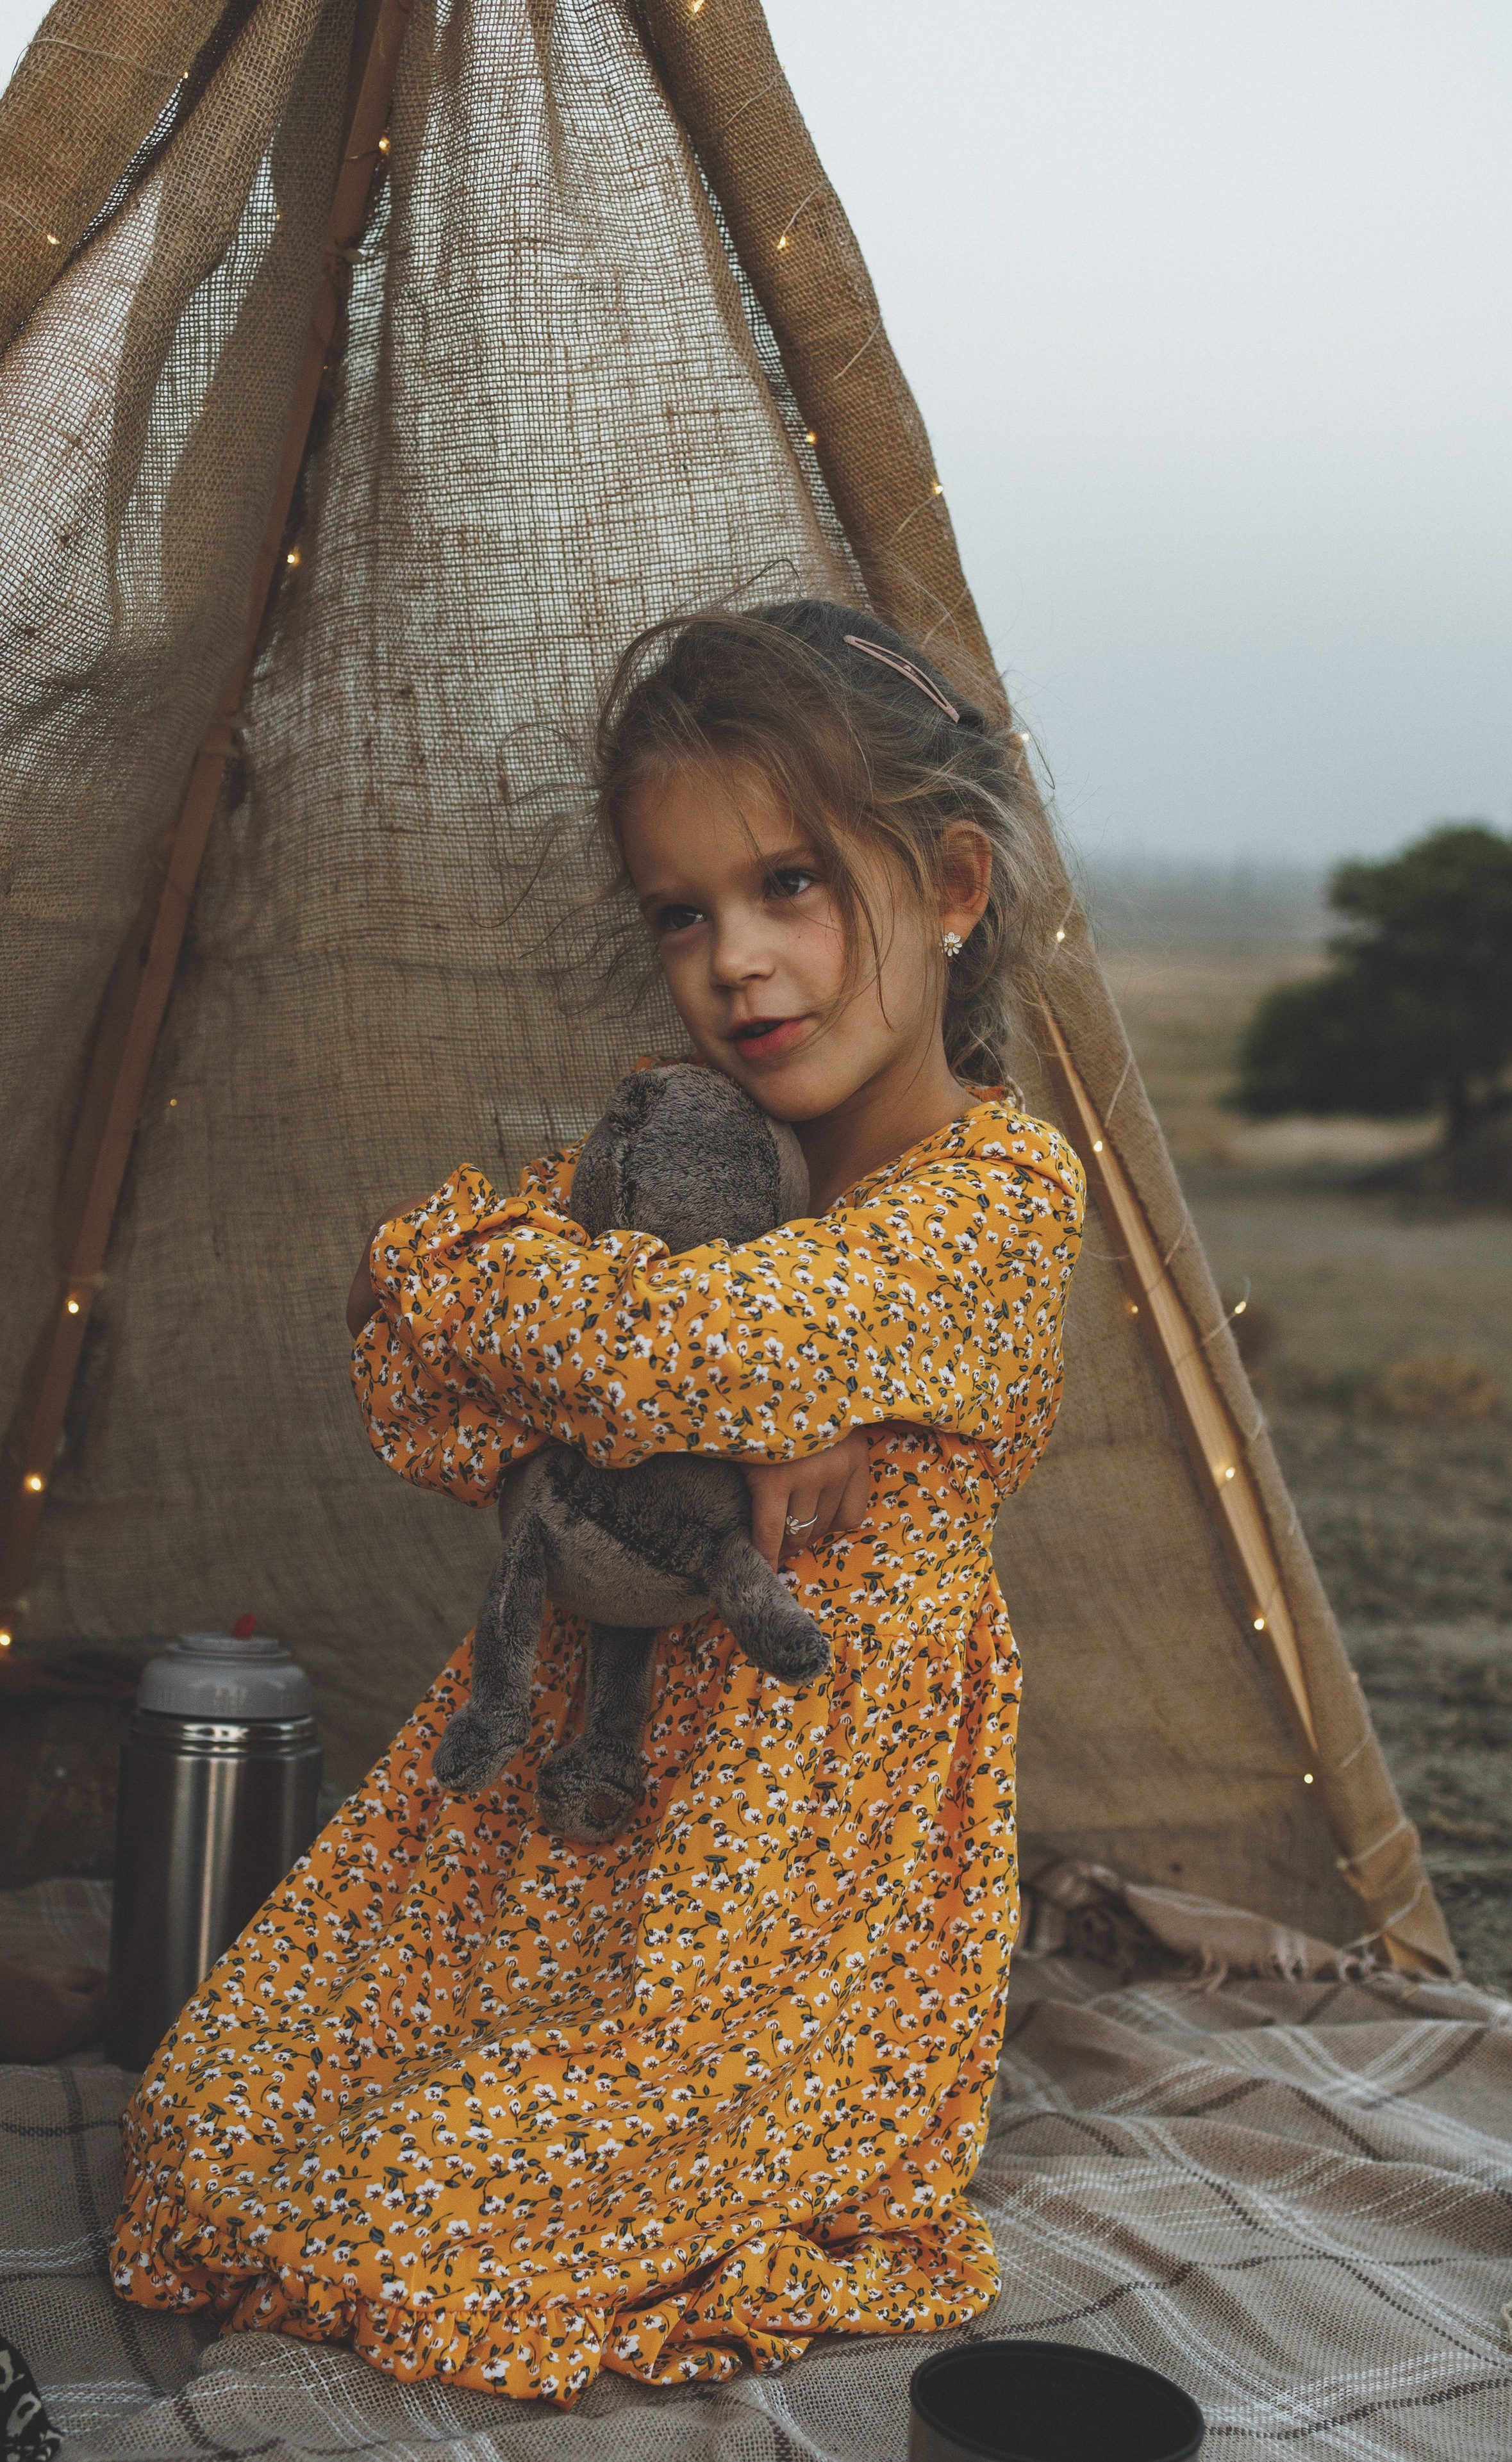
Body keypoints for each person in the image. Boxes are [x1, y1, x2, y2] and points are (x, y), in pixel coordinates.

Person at [110, 600, 1086, 2401]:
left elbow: (665, 1352)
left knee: (412, 2198)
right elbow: (416, 1376)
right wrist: (495, 1309)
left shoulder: (998, 1199)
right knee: (206, 2115)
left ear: (950, 886)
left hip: (786, 1915)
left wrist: (492, 1294)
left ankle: (715, 2155)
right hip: (571, 1828)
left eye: (793, 884)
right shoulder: (689, 1146)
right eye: (683, 911)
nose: (738, 962)